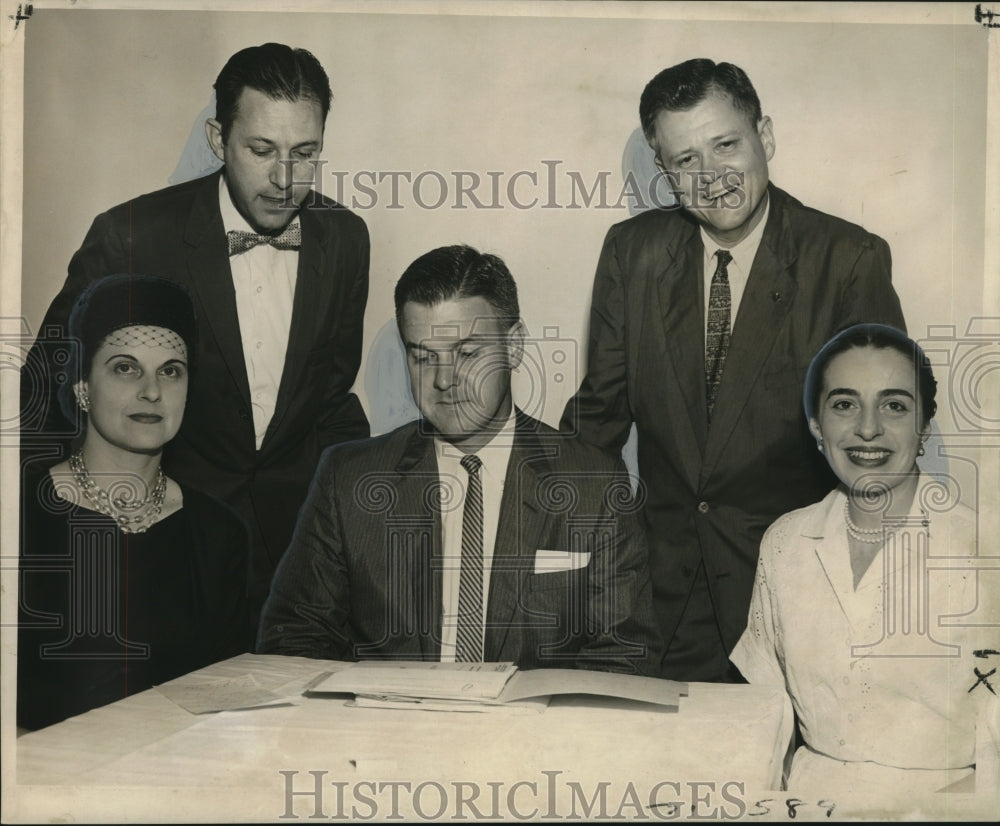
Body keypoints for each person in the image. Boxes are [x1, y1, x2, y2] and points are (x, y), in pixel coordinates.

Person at [561, 58, 907, 681]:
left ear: (765, 136)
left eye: (726, 145)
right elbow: (597, 420)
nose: (712, 177)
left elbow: (879, 448)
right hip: (658, 597)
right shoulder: (630, 253)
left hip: (798, 602)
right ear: (663, 170)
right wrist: (564, 558)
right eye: (685, 160)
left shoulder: (848, 259)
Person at [20, 43, 370, 631]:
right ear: (217, 140)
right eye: (261, 151)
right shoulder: (132, 235)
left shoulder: (346, 239)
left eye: (304, 154)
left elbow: (330, 399)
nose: (286, 180)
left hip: (298, 564)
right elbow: (44, 399)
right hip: (161, 552)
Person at [257, 245, 660, 673]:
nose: (444, 380)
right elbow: (294, 640)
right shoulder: (348, 478)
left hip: (531, 736)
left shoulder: (594, 483)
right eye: (423, 356)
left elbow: (623, 658)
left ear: (515, 346)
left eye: (467, 353)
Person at [731, 323, 998, 803]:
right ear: (817, 425)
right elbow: (765, 717)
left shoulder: (984, 548)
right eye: (844, 404)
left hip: (955, 806)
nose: (868, 428)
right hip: (809, 805)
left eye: (894, 405)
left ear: (924, 428)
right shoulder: (785, 542)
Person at [18, 275, 248, 732]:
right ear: (83, 385)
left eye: (171, 370)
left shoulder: (218, 533)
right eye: (125, 367)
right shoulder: (18, 516)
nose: (152, 391)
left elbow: (227, 704)